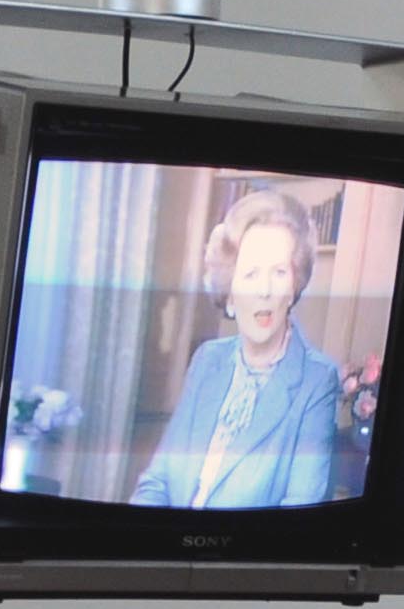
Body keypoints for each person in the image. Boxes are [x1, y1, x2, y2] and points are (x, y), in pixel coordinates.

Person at [129, 184, 346, 510]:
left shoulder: (317, 380)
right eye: (251, 274)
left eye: (279, 272)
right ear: (230, 295)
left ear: (294, 287)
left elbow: (299, 514)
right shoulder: (207, 359)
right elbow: (158, 480)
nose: (265, 290)